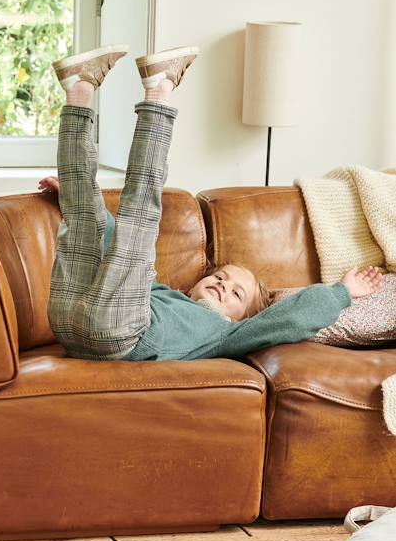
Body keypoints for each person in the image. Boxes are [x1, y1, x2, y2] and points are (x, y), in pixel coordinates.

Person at [43, 43, 383, 362]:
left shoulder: (226, 335)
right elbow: (120, 248)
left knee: (141, 210)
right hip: (68, 322)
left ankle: (159, 90)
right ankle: (79, 88)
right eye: (222, 278)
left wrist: (342, 292)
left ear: (243, 318)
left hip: (119, 335)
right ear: (192, 288)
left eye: (237, 295)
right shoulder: (162, 294)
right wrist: (79, 200)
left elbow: (291, 319)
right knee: (84, 215)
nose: (224, 286)